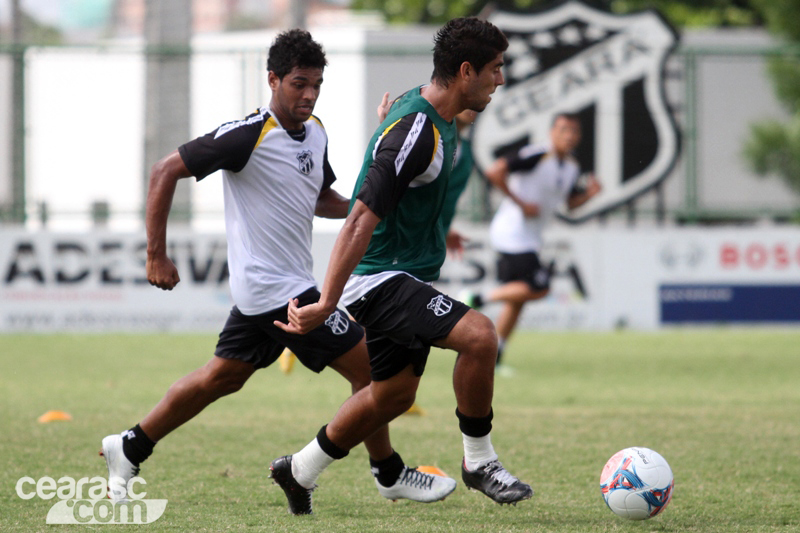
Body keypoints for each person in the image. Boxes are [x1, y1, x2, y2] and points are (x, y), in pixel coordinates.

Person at [99, 29, 457, 508]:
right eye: (298, 83)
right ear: (272, 80)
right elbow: (165, 170)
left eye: (316, 85)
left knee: (221, 378)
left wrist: (374, 201)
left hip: (276, 288)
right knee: (376, 372)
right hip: (277, 291)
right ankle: (388, 473)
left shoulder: (316, 132)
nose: (309, 94)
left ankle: (130, 446)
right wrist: (155, 254)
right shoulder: (248, 134)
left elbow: (322, 199)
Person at [272, 17, 533, 515]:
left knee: (391, 395)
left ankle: (299, 469)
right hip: (378, 278)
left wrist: (386, 126)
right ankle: (480, 462)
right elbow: (358, 219)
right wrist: (327, 301)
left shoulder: (433, 110)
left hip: (404, 273)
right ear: (465, 71)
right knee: (481, 337)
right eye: (495, 68)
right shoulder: (416, 130)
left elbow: (404, 150)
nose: (500, 79)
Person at [463, 113, 602, 372]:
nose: (569, 136)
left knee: (518, 300)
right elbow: (495, 171)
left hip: (531, 238)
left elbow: (570, 205)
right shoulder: (537, 155)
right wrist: (521, 203)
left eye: (574, 131)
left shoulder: (571, 167)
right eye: (563, 130)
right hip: (512, 233)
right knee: (539, 287)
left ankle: (496, 357)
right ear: (552, 132)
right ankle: (477, 298)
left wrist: (590, 195)